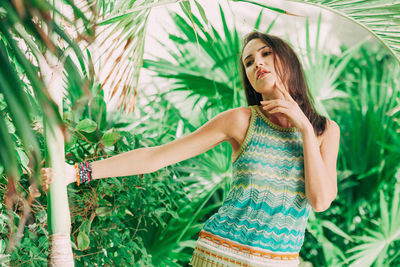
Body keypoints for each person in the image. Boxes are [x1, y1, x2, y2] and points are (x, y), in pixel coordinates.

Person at [40, 31, 340, 267]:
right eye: (248, 62)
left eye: (266, 53)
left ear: (288, 61)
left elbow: (321, 200)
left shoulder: (325, 131)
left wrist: (303, 127)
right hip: (221, 257)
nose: (257, 63)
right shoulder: (241, 121)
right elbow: (157, 156)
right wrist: (77, 171)